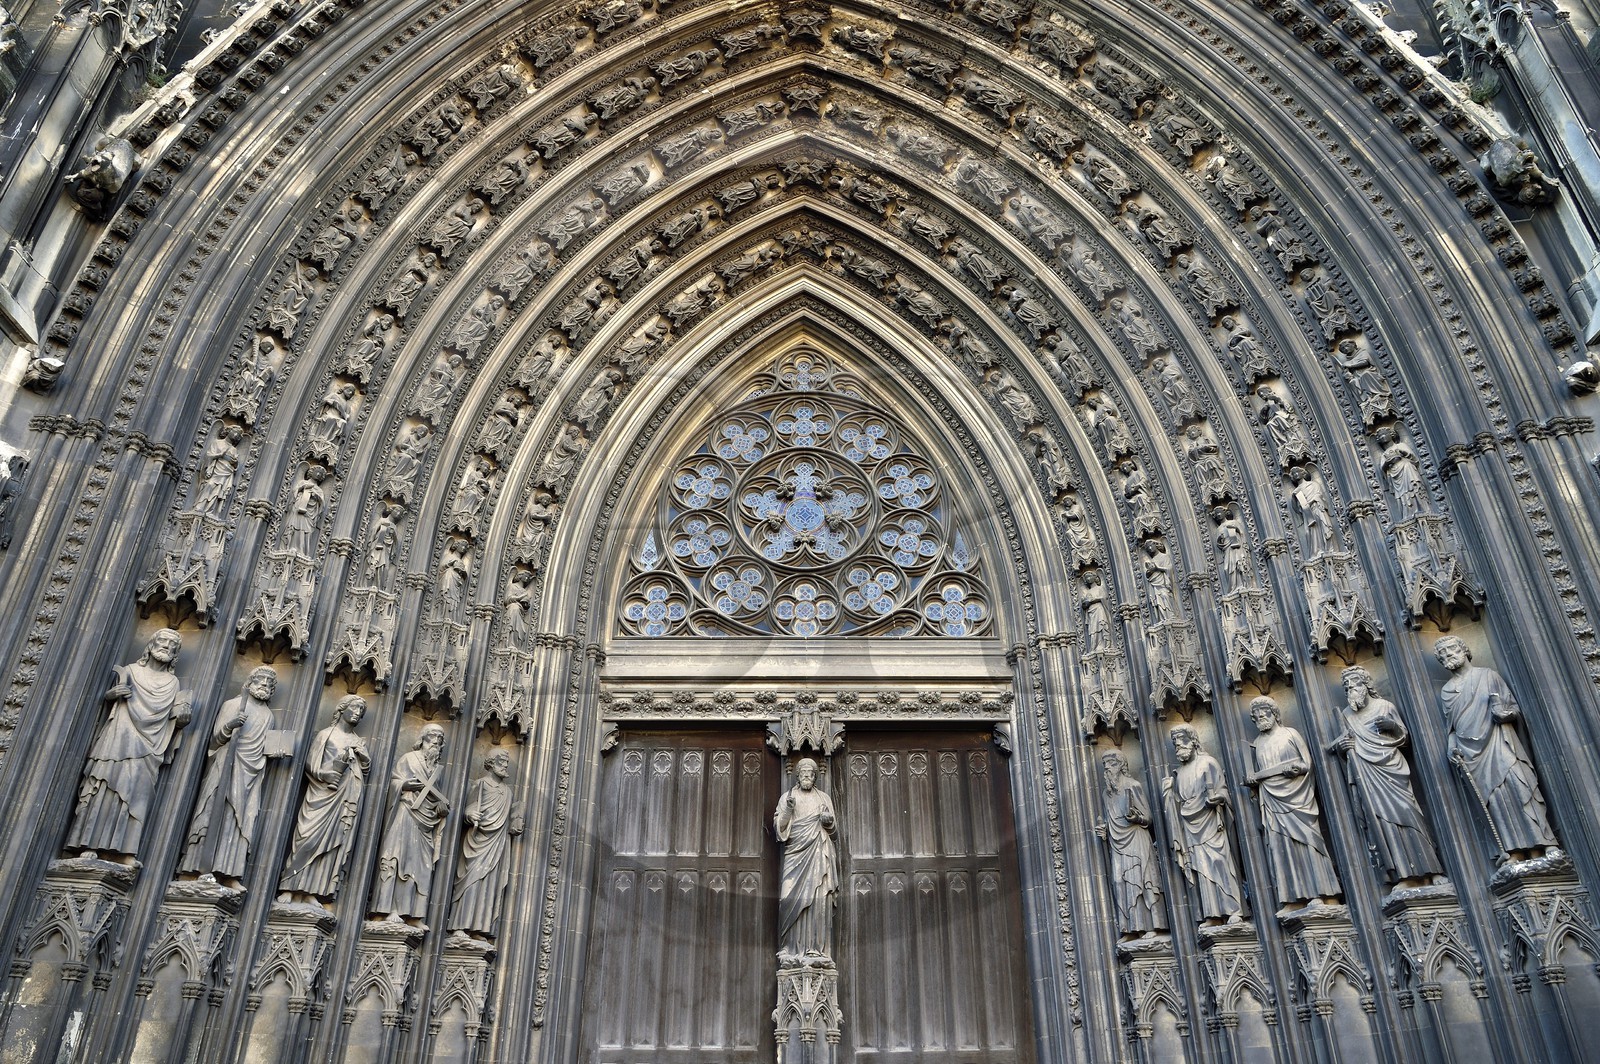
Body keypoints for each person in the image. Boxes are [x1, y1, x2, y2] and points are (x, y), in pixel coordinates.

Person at [67, 629, 194, 859]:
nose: (166, 646)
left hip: (150, 747)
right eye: (162, 640)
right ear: (151, 644)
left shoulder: (172, 683)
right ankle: (89, 844)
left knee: (137, 792)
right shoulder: (132, 672)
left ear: (176, 653)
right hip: (120, 737)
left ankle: (125, 850)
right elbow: (111, 698)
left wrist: (181, 720)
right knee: (106, 786)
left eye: (172, 644)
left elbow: (170, 720)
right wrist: (112, 694)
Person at [1434, 637, 1559, 860]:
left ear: (1464, 649)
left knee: (1518, 785)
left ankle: (1545, 842)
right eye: (1442, 655)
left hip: (1498, 741)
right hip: (1471, 753)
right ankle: (1514, 850)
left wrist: (1504, 715)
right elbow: (1450, 728)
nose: (1448, 656)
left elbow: (1511, 708)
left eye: (1451, 650)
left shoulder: (1488, 676)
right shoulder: (1446, 691)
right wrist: (1451, 748)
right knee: (1497, 801)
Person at [1327, 667, 1442, 885]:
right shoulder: (1346, 716)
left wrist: (1392, 726)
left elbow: (1404, 738)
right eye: (1347, 687)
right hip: (1368, 774)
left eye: (1356, 685)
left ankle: (1432, 870)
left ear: (1367, 685)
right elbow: (1341, 743)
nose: (1352, 690)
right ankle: (1403, 875)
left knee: (1408, 813)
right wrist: (1343, 747)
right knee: (1382, 823)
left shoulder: (1384, 707)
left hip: (1390, 769)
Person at [179, 666, 291, 884]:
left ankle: (229, 873)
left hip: (250, 774)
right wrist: (230, 725)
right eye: (261, 682)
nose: (265, 687)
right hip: (226, 767)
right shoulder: (233, 705)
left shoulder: (268, 716)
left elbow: (263, 747)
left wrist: (274, 751)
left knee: (242, 821)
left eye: (270, 685)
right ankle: (195, 868)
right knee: (213, 813)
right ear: (249, 683)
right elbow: (214, 741)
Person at [1244, 697, 1341, 908]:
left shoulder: (1290, 734)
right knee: (1281, 847)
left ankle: (1321, 892)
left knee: (1308, 842)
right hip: (1271, 800)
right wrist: (1253, 782)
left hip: (1297, 798)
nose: (1260, 718)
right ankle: (1292, 898)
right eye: (1256, 716)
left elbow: (1307, 763)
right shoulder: (1258, 744)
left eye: (1264, 713)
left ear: (1274, 713)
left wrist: (1297, 768)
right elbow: (1258, 774)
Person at [278, 695, 370, 901]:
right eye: (354, 708)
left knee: (332, 842)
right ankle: (289, 886)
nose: (358, 713)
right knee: (308, 838)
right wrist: (324, 774)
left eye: (361, 712)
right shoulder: (326, 735)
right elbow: (310, 764)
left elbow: (364, 769)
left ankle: (312, 891)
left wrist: (363, 757)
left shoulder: (358, 741)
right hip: (322, 794)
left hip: (345, 797)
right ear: (342, 709)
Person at [1161, 725, 1245, 924]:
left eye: (1181, 742)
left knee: (1219, 863)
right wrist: (1168, 795)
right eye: (1175, 744)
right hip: (1191, 828)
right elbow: (1179, 804)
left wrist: (1218, 798)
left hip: (1212, 824)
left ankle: (1234, 909)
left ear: (1193, 741)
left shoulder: (1208, 763)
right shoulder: (1179, 774)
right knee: (1202, 869)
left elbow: (1223, 790)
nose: (1178, 746)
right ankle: (1212, 913)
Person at [371, 724, 450, 920]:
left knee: (419, 867)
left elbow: (436, 797)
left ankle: (412, 914)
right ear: (422, 738)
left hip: (426, 822)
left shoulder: (436, 770)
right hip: (406, 812)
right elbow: (394, 782)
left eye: (440, 739)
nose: (436, 741)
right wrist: (404, 785)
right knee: (398, 857)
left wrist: (441, 807)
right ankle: (388, 909)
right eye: (432, 736)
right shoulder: (408, 759)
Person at [448, 750, 525, 937]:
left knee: (488, 884)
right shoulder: (481, 784)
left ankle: (479, 927)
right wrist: (469, 814)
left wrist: (514, 824)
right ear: (491, 763)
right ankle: (460, 925)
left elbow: (507, 818)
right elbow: (469, 807)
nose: (505, 765)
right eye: (501, 761)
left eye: (507, 762)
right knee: (472, 881)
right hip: (477, 842)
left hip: (497, 844)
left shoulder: (507, 792)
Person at [1096, 751, 1167, 937]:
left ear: (1121, 765)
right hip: (1118, 843)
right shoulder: (1106, 794)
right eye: (1105, 765)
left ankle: (1153, 926)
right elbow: (1110, 818)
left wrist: (1137, 817)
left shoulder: (1133, 786)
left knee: (1142, 880)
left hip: (1136, 838)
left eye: (1111, 764)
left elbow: (1149, 817)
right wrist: (1105, 829)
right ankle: (1132, 928)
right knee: (1121, 882)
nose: (1107, 768)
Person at [774, 757, 837, 959]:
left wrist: (828, 822)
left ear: (815, 777)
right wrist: (789, 809)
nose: (807, 777)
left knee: (818, 898)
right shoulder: (788, 797)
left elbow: (834, 830)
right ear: (798, 776)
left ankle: (816, 948)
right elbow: (780, 830)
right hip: (795, 855)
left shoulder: (823, 798)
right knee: (788, 898)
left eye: (810, 774)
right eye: (803, 774)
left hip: (818, 853)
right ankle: (788, 947)